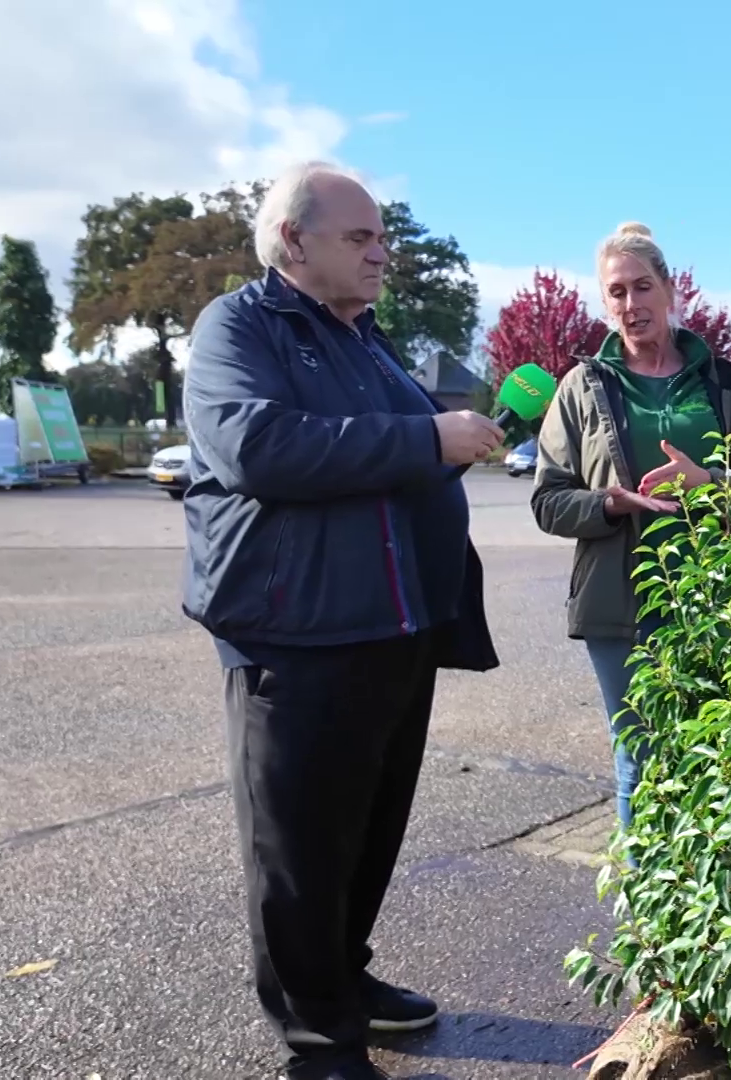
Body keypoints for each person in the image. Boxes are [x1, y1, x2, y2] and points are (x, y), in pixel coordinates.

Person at [181, 161, 505, 1080]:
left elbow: (388, 464)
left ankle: (346, 981)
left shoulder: (366, 340)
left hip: (392, 632)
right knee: (297, 849)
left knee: (365, 832)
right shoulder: (238, 326)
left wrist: (453, 442)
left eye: (381, 237)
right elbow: (255, 445)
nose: (382, 253)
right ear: (294, 241)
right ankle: (317, 1037)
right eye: (359, 238)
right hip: (295, 635)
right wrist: (425, 438)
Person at [531, 222, 731, 828]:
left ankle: (708, 909)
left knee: (722, 758)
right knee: (640, 762)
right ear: (604, 303)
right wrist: (611, 503)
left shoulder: (721, 380)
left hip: (719, 599)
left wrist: (710, 485)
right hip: (620, 602)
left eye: (642, 287)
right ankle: (645, 919)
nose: (631, 305)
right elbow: (549, 500)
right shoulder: (583, 387)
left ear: (669, 289)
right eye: (616, 292)